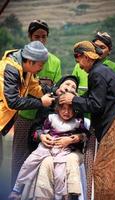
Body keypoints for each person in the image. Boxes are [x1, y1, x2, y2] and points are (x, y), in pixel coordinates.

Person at [59, 40, 115, 200]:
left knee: (105, 171)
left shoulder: (96, 74)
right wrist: (76, 99)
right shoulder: (101, 70)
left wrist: (73, 100)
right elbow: (94, 97)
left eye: (78, 60)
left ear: (86, 57)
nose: (79, 66)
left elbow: (96, 105)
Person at [11, 19, 62, 187]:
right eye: (36, 36)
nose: (40, 40)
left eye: (43, 37)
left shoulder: (54, 62)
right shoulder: (21, 62)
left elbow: (54, 90)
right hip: (24, 116)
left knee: (42, 161)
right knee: (20, 159)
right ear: (29, 36)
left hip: (43, 120)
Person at [9, 100, 90, 200]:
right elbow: (41, 130)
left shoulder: (77, 122)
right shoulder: (51, 117)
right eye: (63, 109)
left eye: (70, 109)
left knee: (60, 173)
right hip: (46, 147)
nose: (66, 112)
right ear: (57, 109)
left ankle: (63, 196)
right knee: (29, 163)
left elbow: (86, 134)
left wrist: (75, 138)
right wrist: (43, 136)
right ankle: (17, 189)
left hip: (64, 151)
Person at [0, 40, 54, 136]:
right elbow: (12, 102)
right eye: (40, 65)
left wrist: (55, 91)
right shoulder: (9, 70)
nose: (41, 68)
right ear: (30, 61)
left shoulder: (26, 69)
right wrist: (41, 102)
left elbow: (34, 88)